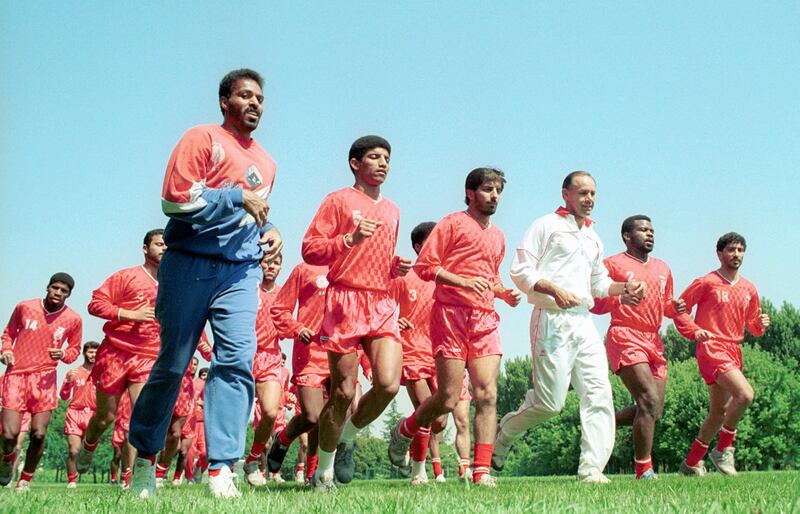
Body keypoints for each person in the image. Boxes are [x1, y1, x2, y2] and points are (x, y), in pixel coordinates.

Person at [127, 68, 282, 499]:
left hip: (239, 269)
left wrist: (272, 230)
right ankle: (144, 460)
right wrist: (234, 195)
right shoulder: (201, 138)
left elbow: (255, 211)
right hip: (189, 263)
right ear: (224, 101)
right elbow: (173, 200)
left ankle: (221, 469)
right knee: (174, 365)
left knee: (236, 358)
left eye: (260, 99)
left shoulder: (267, 161)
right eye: (245, 96)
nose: (255, 104)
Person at [493, 171, 646, 483]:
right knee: (550, 404)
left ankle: (591, 470)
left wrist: (624, 289)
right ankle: (504, 434)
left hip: (584, 322)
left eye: (592, 194)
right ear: (566, 194)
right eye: (582, 193)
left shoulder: (592, 236)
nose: (589, 199)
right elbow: (520, 271)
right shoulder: (546, 226)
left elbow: (599, 283)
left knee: (599, 394)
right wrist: (555, 291)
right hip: (551, 320)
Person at [388, 168, 521, 488]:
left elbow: (490, 276)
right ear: (471, 192)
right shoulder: (451, 224)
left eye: (498, 191)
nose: (494, 196)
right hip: (450, 316)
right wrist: (462, 281)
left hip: (485, 318)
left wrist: (502, 292)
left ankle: (481, 470)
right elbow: (425, 266)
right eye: (488, 189)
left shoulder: (498, 236)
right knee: (446, 399)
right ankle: (404, 430)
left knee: (487, 394)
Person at [301, 135, 411, 490]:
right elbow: (310, 249)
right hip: (344, 300)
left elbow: (378, 259)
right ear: (355, 163)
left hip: (379, 302)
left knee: (389, 384)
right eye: (374, 157)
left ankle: (347, 437)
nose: (382, 164)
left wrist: (395, 265)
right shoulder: (338, 200)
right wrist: (348, 239)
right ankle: (324, 474)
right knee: (344, 392)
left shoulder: (393, 210)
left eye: (387, 159)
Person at [589, 215, 684, 480]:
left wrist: (673, 309)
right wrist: (621, 296)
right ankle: (644, 470)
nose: (650, 234)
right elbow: (595, 302)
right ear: (627, 237)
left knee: (654, 410)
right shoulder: (613, 264)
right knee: (648, 400)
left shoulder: (663, 268)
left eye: (652, 230)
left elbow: (664, 306)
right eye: (643, 230)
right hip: (625, 335)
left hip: (654, 340)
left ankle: (605, 422)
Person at [675, 232, 770, 477]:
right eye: (731, 250)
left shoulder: (749, 288)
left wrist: (761, 323)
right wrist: (694, 331)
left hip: (734, 350)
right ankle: (724, 449)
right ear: (720, 254)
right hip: (711, 347)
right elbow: (679, 309)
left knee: (718, 411)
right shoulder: (706, 282)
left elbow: (753, 326)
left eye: (740, 250)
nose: (736, 254)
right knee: (746, 394)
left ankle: (691, 463)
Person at [77, 229, 166, 481]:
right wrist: (128, 314)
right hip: (116, 353)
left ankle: (136, 476)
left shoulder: (174, 282)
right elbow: (95, 304)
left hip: (148, 356)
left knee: (143, 414)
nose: (164, 248)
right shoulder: (126, 276)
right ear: (145, 248)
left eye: (168, 244)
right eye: (159, 244)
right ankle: (90, 443)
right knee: (106, 416)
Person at [391, 221, 474, 485]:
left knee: (440, 421)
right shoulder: (404, 277)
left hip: (442, 354)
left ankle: (402, 430)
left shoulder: (449, 278)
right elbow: (384, 306)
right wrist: (395, 321)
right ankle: (419, 472)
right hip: (413, 354)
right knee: (425, 413)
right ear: (418, 247)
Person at [0, 272, 83, 491]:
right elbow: (8, 334)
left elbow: (75, 349)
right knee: (9, 434)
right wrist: (6, 351)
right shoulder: (24, 307)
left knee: (39, 433)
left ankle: (25, 480)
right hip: (16, 375)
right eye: (55, 288)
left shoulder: (73, 319)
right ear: (47, 288)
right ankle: (8, 459)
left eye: (64, 291)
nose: (58, 293)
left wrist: (63, 355)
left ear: (69, 295)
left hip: (45, 379)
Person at [264, 261, 330, 482]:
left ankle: (320, 471)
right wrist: (297, 328)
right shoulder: (304, 269)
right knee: (312, 416)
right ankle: (283, 438)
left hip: (340, 349)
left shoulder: (352, 264)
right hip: (310, 351)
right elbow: (280, 309)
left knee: (346, 411)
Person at [243, 253, 285, 486]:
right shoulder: (248, 288)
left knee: (270, 412)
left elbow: (287, 322)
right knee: (238, 413)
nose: (271, 266)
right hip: (244, 354)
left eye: (276, 263)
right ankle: (224, 466)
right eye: (267, 262)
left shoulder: (283, 293)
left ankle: (253, 458)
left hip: (270, 356)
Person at [154, 355, 199, 487]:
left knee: (181, 446)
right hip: (166, 383)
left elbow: (208, 352)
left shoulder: (198, 383)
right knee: (169, 439)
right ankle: (156, 470)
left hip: (186, 400)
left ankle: (170, 475)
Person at [60, 341, 100, 488]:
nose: (93, 355)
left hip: (94, 414)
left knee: (86, 449)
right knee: (73, 449)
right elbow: (64, 396)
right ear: (84, 353)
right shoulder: (74, 372)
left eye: (96, 352)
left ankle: (86, 459)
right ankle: (72, 481)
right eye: (90, 352)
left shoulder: (103, 372)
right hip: (75, 413)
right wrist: (67, 383)